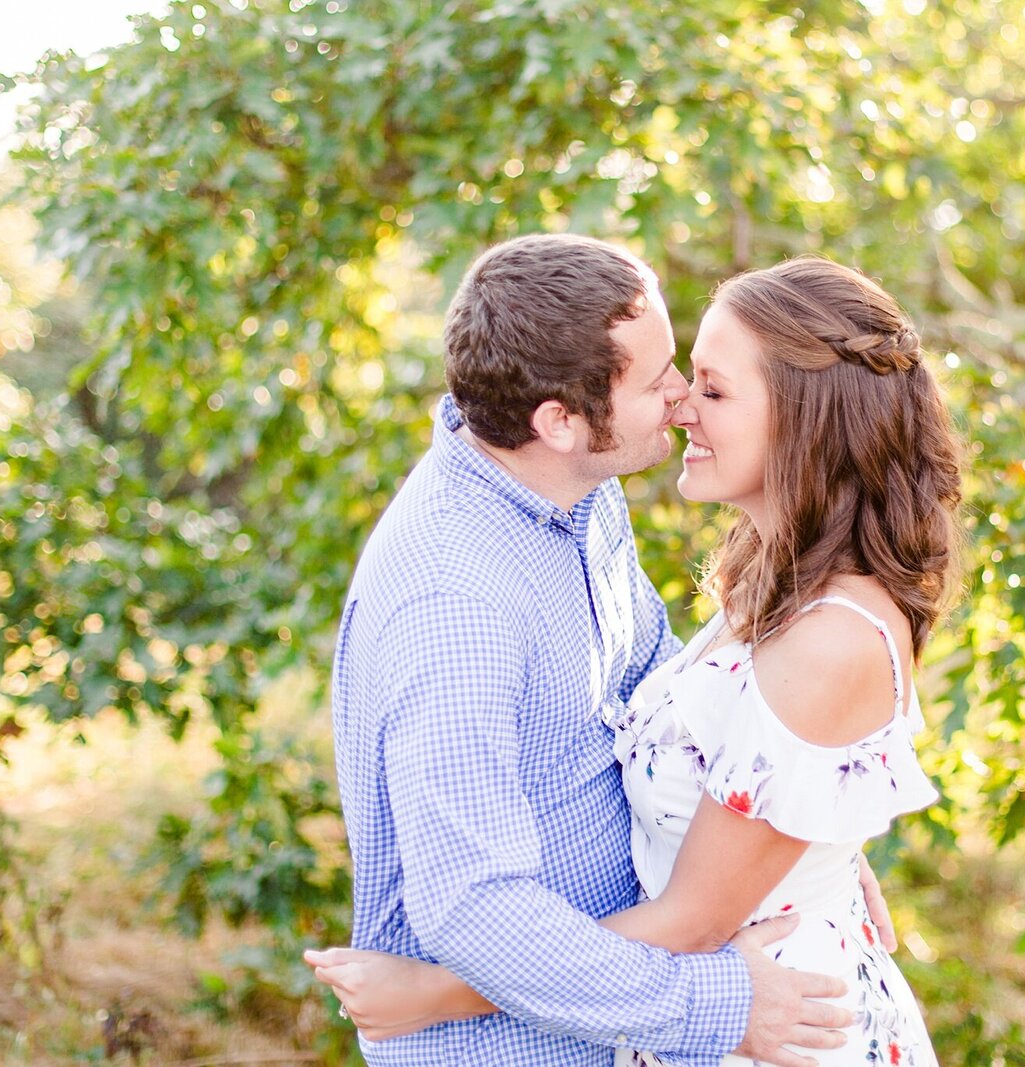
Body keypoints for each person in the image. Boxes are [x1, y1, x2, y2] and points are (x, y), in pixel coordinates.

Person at [310, 255, 963, 1067]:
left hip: (779, 1017)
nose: (681, 403)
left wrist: (805, 839)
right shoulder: (455, 605)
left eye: (706, 385)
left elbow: (650, 687)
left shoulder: (581, 488)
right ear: (559, 422)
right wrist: (740, 947)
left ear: (806, 420)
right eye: (668, 380)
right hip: (543, 1040)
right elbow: (477, 911)